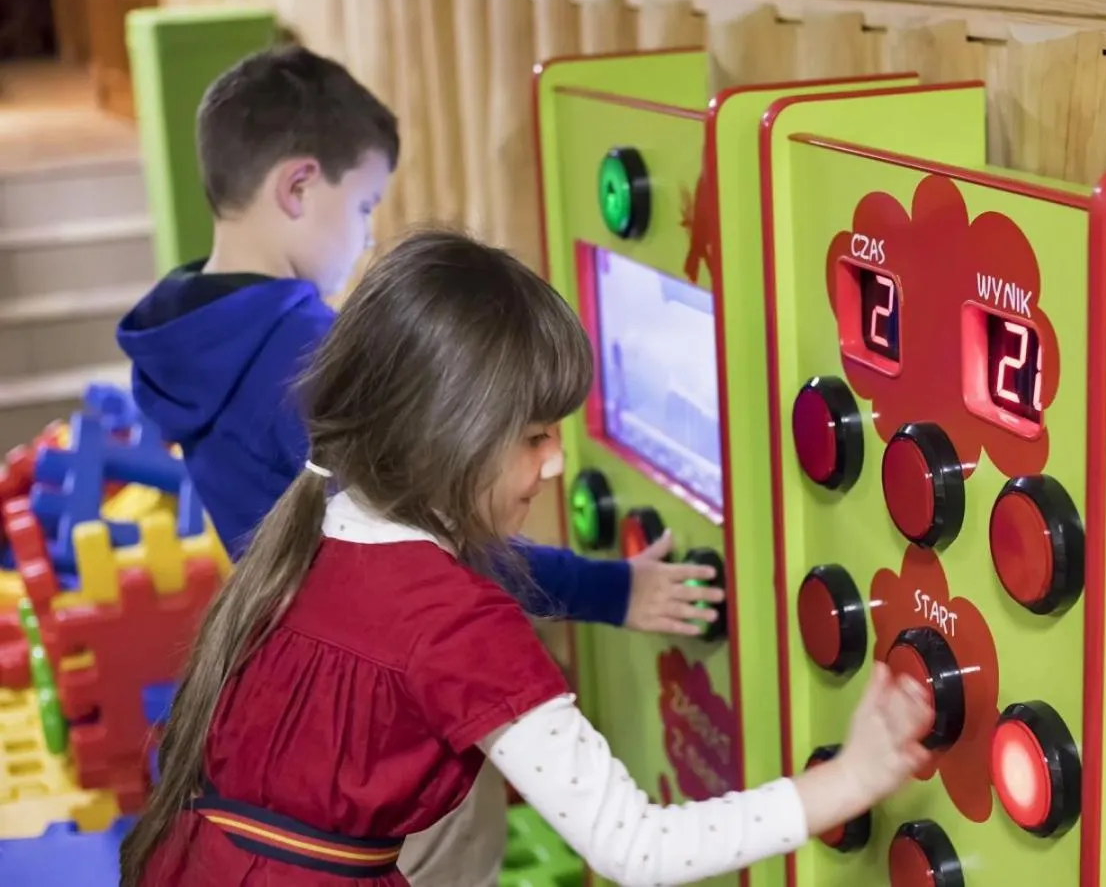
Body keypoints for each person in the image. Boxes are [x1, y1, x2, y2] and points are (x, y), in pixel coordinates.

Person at [118, 229, 933, 887]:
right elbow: (635, 848)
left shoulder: (322, 524)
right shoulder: (453, 620)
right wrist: (849, 780)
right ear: (447, 437)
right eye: (536, 436)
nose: (555, 464)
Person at [114, 45, 724, 885]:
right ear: (298, 187)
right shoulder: (299, 359)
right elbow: (435, 561)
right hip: (372, 731)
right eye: (363, 204)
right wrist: (614, 589)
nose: (365, 232)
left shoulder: (187, 338)